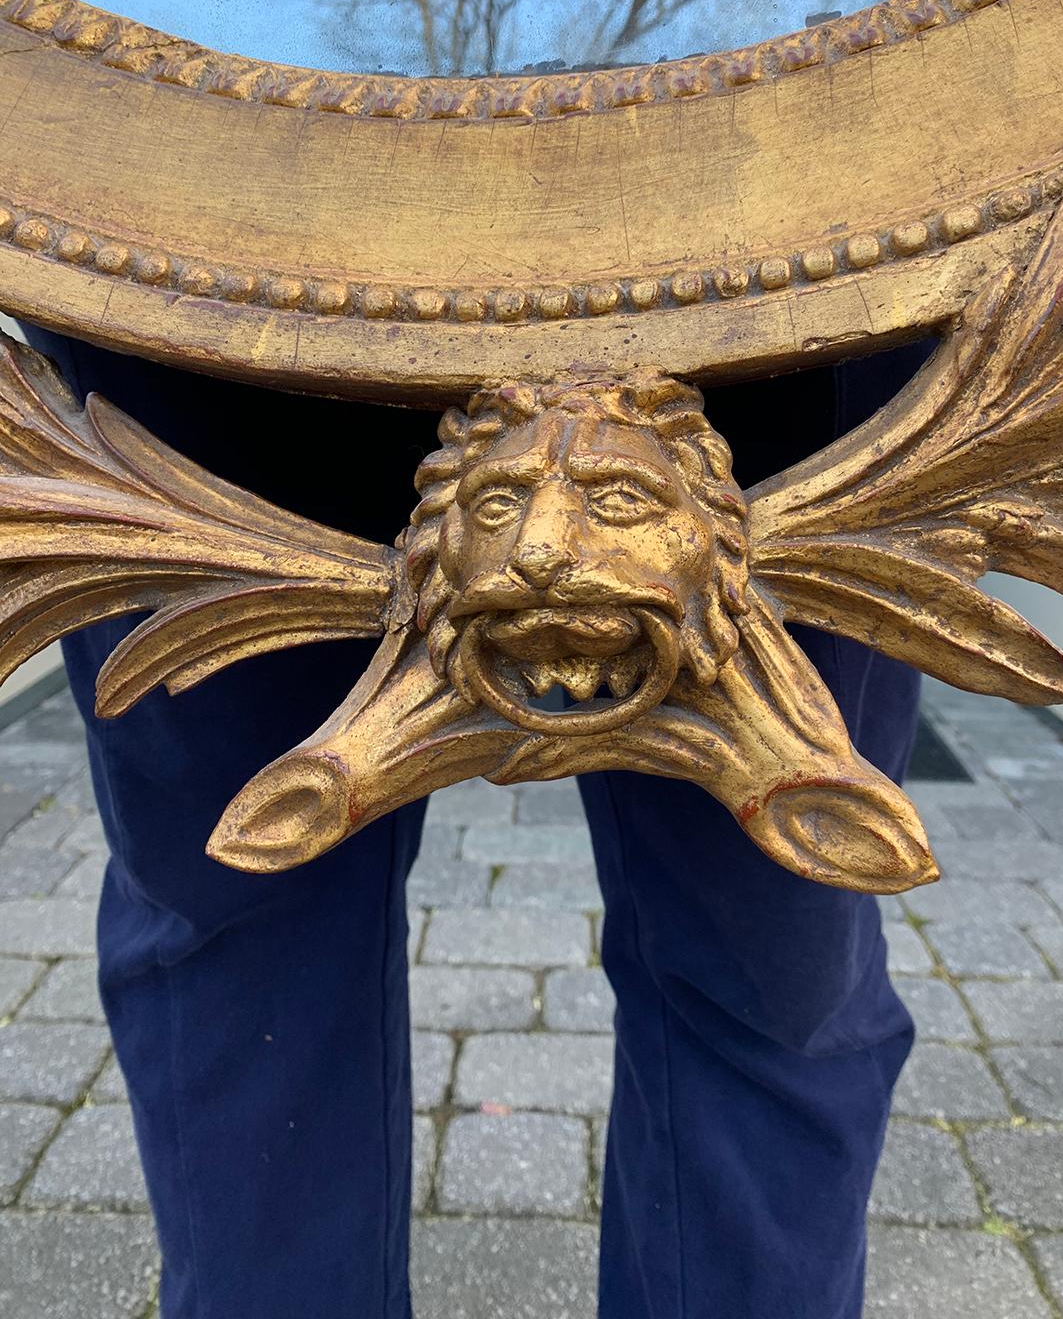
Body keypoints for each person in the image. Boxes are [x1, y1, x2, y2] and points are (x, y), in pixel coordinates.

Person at [24, 322, 926, 1319]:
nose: (542, 554)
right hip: (197, 285)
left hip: (810, 283)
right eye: (502, 507)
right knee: (232, 938)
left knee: (783, 954)